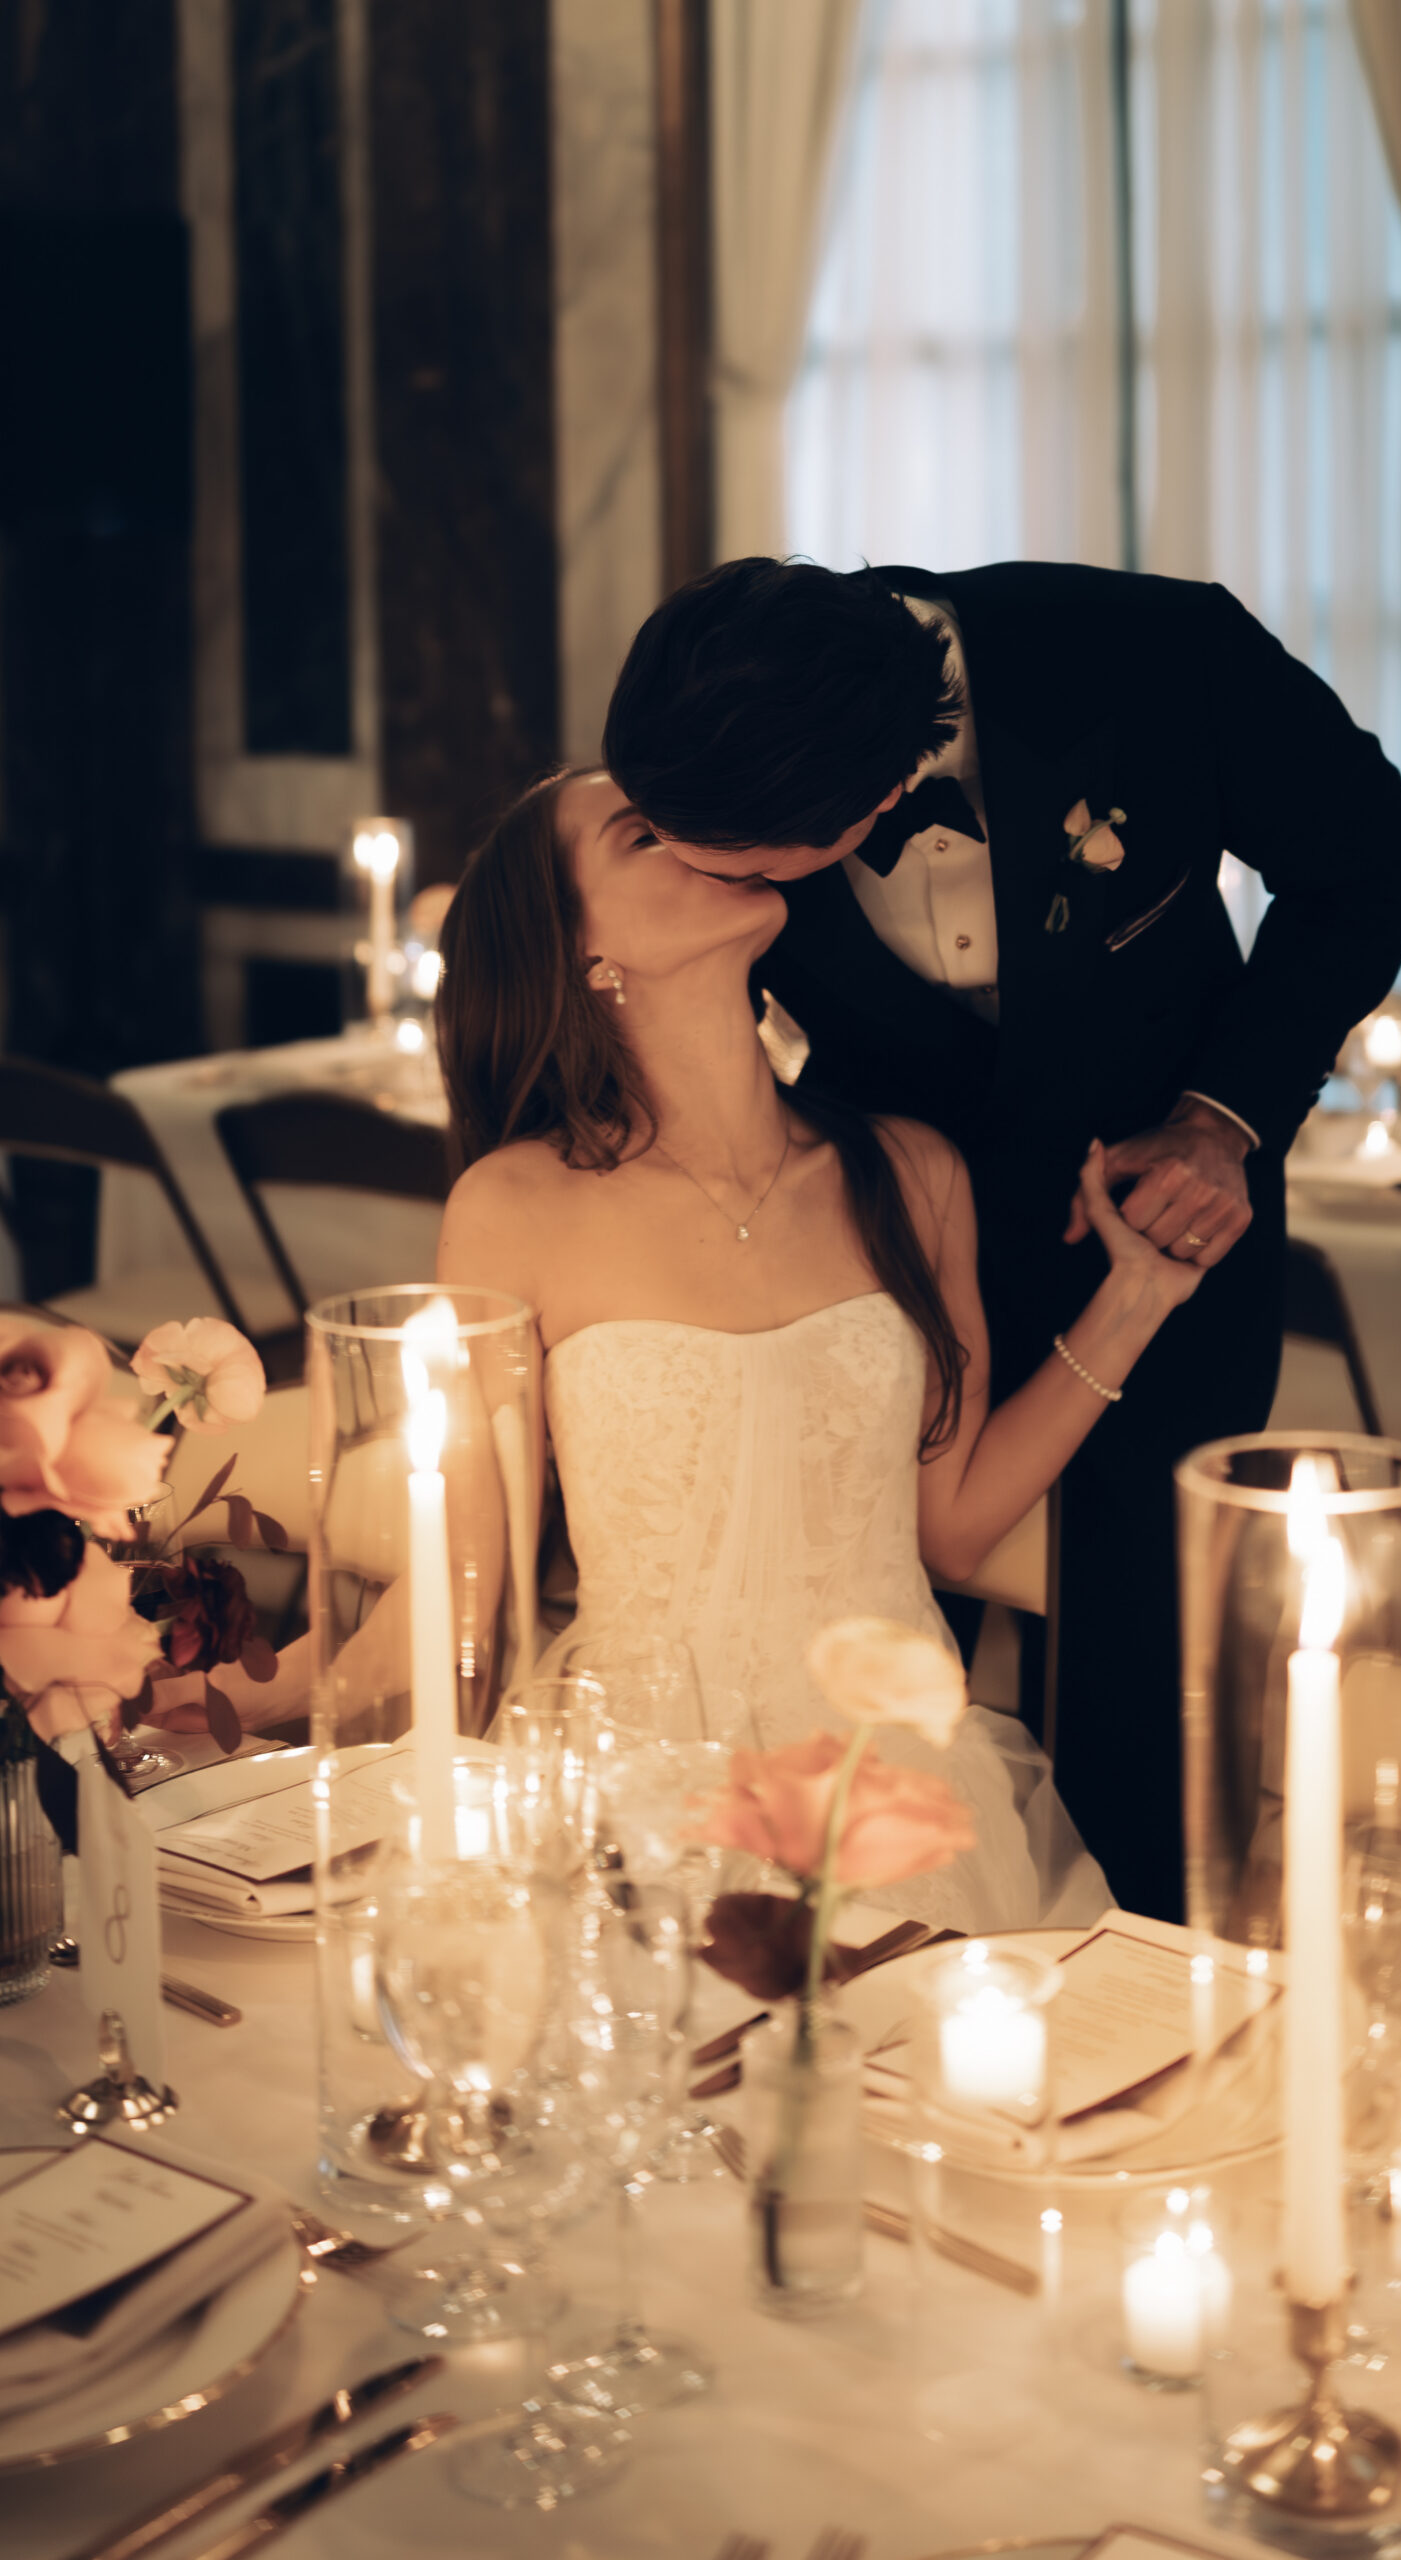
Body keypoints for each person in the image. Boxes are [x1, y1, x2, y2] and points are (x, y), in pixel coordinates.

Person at [601, 558, 1401, 1919]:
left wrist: (1222, 1118)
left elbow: (1370, 857)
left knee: (1142, 1703)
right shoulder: (720, 757)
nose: (714, 882)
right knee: (879, 1712)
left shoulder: (1162, 650)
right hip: (876, 1274)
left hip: (1159, 1259)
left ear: (875, 794)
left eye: (744, 868)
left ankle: (1146, 2048)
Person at [431, 766, 1205, 1932]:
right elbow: (459, 1586)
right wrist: (249, 1681)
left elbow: (945, 1525)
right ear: (586, 951)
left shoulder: (908, 1171)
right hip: (636, 1787)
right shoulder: (513, 1207)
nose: (707, 831)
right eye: (646, 833)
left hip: (893, 1782)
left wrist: (1135, 1299)